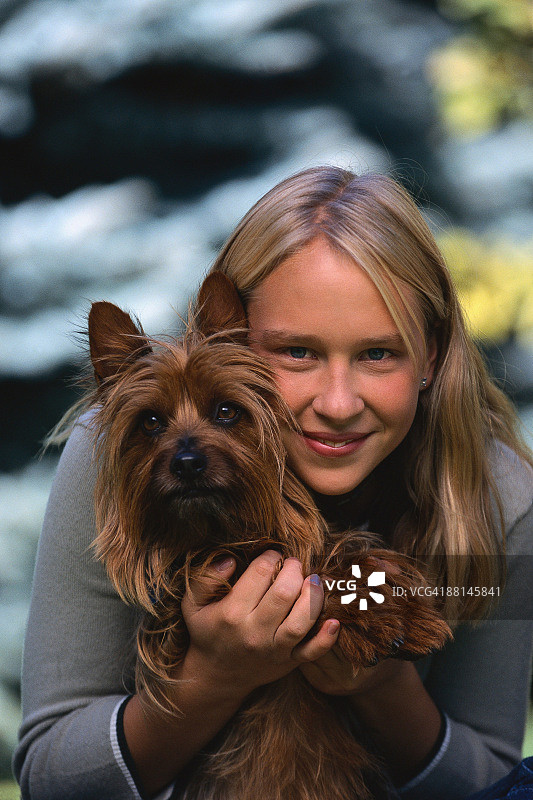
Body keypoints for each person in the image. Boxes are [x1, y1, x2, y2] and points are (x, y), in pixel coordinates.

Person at [13, 166, 533, 800]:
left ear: (430, 357)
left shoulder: (493, 490)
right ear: (230, 341)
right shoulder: (121, 454)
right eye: (296, 352)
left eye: (378, 353)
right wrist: (213, 679)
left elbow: (496, 780)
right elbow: (47, 778)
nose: (339, 403)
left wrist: (380, 686)